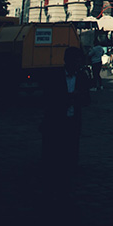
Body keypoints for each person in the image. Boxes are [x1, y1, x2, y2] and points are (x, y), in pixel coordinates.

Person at [41, 46, 91, 177]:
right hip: (56, 118)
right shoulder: (54, 76)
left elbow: (87, 100)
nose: (78, 64)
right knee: (56, 145)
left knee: (72, 144)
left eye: (79, 61)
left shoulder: (82, 77)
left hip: (73, 117)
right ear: (67, 61)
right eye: (76, 61)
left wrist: (78, 97)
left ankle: (71, 168)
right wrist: (67, 98)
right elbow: (48, 97)